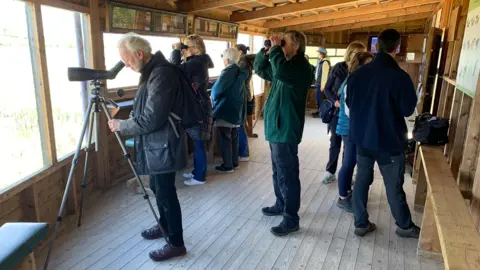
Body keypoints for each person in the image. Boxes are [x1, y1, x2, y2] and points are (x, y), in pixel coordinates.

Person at [108, 33, 187, 261]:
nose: (127, 65)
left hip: (163, 144)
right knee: (158, 188)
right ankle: (163, 226)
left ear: (139, 54)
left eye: (128, 60)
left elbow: (152, 118)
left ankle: (176, 242)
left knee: (166, 193)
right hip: (156, 144)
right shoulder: (151, 71)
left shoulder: (161, 74)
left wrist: (122, 125)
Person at [346, 29, 420, 238]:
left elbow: (350, 103)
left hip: (362, 139)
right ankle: (404, 226)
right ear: (397, 47)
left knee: (361, 180)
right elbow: (407, 110)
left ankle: (360, 223)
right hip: (389, 141)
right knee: (393, 186)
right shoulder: (400, 77)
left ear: (376, 47)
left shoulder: (357, 75)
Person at [254, 31, 313, 236]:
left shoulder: (300, 67)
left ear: (296, 46)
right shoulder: (284, 65)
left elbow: (279, 72)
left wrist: (276, 51)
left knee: (287, 174)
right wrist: (266, 51)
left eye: (284, 42)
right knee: (278, 172)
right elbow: (260, 69)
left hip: (286, 129)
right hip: (276, 128)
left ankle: (291, 218)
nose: (279, 45)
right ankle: (281, 204)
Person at [170, 34, 214, 186]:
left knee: (198, 142)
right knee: (197, 142)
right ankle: (197, 171)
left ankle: (200, 176)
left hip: (198, 108)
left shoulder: (196, 62)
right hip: (199, 106)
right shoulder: (199, 62)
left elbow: (174, 71)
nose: (184, 50)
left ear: (194, 49)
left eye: (186, 47)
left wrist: (176, 51)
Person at [322, 41, 366, 185]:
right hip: (336, 112)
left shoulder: (362, 70)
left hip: (353, 115)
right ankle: (330, 171)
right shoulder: (338, 68)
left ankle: (346, 172)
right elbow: (327, 88)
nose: (357, 56)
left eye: (360, 54)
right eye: (355, 53)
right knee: (335, 142)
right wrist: (335, 101)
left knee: (350, 146)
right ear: (349, 53)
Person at [335, 51, 374, 213]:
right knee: (349, 162)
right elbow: (351, 110)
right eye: (368, 64)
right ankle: (343, 197)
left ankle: (348, 192)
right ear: (359, 65)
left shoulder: (359, 80)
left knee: (352, 161)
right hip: (349, 127)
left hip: (354, 127)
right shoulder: (352, 82)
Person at [211, 48, 248, 172]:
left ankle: (227, 166)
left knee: (225, 138)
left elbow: (217, 91)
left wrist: (212, 97)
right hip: (237, 109)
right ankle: (234, 163)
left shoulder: (228, 71)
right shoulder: (240, 71)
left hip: (226, 108)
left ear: (227, 60)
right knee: (234, 136)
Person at [236, 44, 255, 161]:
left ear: (240, 51)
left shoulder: (242, 61)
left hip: (243, 92)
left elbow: (240, 78)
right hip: (248, 92)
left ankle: (243, 152)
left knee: (241, 122)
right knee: (243, 120)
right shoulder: (247, 61)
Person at [312, 48, 330, 118]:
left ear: (322, 54)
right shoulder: (321, 61)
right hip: (318, 83)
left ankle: (321, 112)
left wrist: (323, 86)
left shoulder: (325, 62)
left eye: (319, 53)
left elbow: (325, 75)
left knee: (320, 99)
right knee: (318, 98)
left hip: (321, 84)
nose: (318, 54)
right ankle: (319, 111)